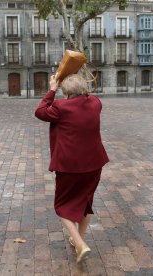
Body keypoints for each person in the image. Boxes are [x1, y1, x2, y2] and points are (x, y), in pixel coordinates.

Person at [35, 74, 109, 263]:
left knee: (62, 206)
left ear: (65, 93)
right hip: (94, 164)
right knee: (85, 202)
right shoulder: (95, 103)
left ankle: (80, 243)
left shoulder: (60, 107)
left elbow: (40, 111)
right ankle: (79, 239)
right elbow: (89, 95)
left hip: (69, 166)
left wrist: (52, 88)